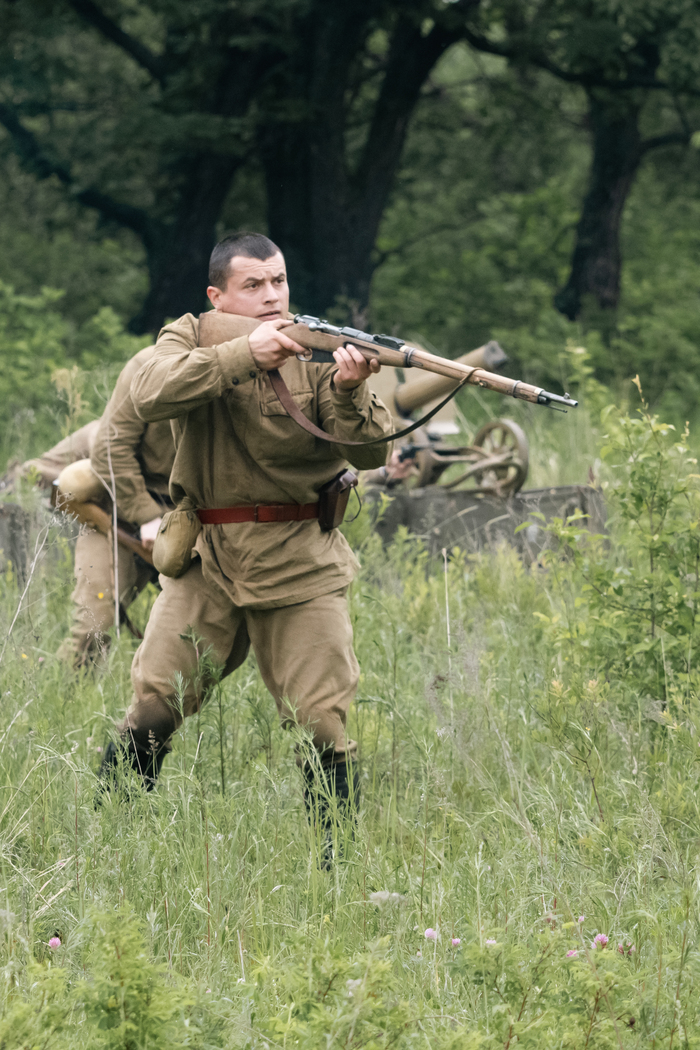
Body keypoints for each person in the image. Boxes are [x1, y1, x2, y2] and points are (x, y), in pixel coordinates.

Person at [99, 232, 393, 829]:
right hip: (206, 557)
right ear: (218, 296)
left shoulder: (321, 349)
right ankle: (112, 832)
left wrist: (346, 387)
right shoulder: (189, 336)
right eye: (253, 285)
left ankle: (335, 867)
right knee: (155, 703)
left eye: (278, 281)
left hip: (300, 558)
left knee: (321, 721)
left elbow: (370, 454)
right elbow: (147, 391)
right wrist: (243, 356)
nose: (270, 295)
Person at [57, 347, 175, 666]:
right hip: (119, 514)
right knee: (94, 625)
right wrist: (145, 515)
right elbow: (104, 453)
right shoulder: (150, 370)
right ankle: (69, 696)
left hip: (190, 520)